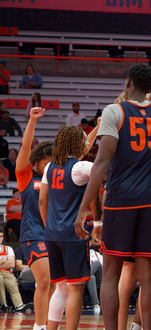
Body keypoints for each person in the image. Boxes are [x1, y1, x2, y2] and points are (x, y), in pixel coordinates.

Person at [74, 57, 151, 330]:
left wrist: (84, 208)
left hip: (121, 203)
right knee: (148, 278)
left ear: (128, 83)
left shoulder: (114, 111)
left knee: (110, 275)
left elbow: (102, 162)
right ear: (150, 87)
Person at [39, 124, 98, 330]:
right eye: (83, 139)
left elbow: (42, 202)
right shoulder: (81, 167)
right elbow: (104, 171)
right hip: (74, 235)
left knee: (61, 289)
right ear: (76, 143)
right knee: (75, 290)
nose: (86, 142)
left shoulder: (49, 167)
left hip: (52, 234)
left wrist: (50, 228)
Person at [16, 107, 54, 330]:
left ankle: (46, 325)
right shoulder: (27, 178)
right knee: (45, 281)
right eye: (46, 162)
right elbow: (24, 148)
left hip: (53, 235)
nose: (50, 166)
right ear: (38, 161)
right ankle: (39, 327)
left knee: (53, 286)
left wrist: (98, 128)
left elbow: (80, 152)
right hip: (32, 235)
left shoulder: (57, 177)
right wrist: (32, 120)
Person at [0, 231, 28, 312]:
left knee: (12, 284)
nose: (0, 238)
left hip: (7, 272)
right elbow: (8, 262)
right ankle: (3, 304)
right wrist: (3, 261)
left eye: (1, 236)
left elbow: (11, 264)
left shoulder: (8, 248)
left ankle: (19, 305)